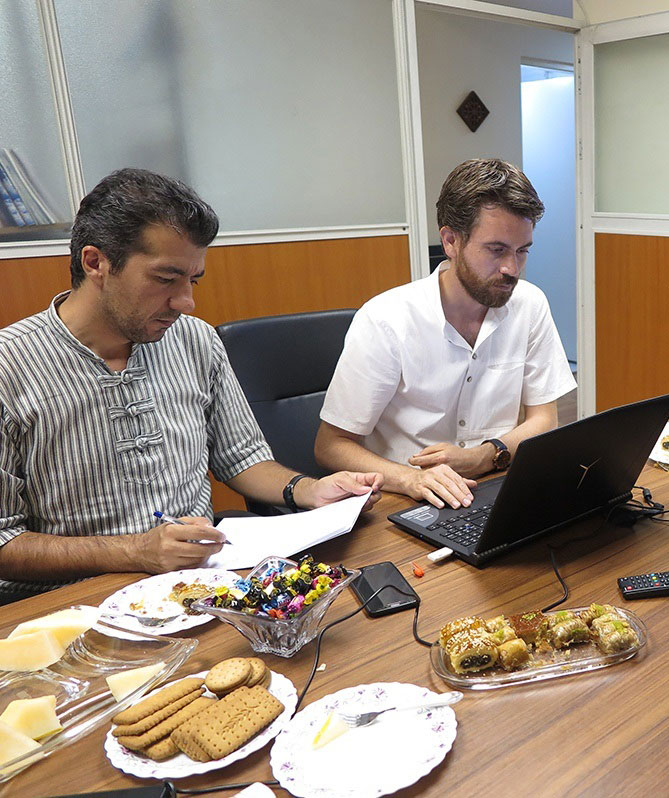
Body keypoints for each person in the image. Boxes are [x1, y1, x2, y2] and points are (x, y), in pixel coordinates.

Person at [0, 168, 383, 601]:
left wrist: (309, 490)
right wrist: (135, 551)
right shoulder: (9, 367)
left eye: (192, 280)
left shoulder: (196, 340)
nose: (186, 302)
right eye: (166, 279)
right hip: (74, 604)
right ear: (95, 263)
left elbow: (241, 458)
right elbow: (4, 542)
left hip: (200, 588)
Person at [315, 159, 575, 511]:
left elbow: (544, 419)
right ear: (451, 241)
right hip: (403, 500)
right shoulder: (386, 319)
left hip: (495, 490)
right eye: (496, 250)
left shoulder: (530, 304)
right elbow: (330, 446)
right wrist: (410, 479)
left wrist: (485, 455)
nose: (512, 269)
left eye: (522, 250)